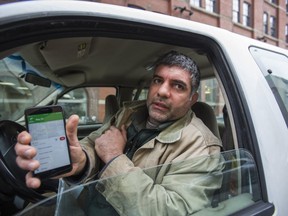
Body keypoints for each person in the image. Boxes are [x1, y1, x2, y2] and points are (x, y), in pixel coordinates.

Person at [15, 50, 223, 215]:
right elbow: (97, 141)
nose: (162, 91)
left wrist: (115, 158)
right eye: (158, 80)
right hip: (84, 202)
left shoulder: (202, 147)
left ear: (192, 99)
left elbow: (168, 211)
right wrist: (83, 161)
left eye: (178, 86)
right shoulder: (129, 112)